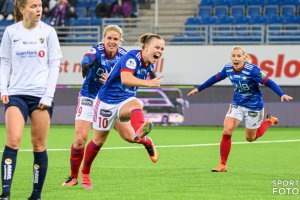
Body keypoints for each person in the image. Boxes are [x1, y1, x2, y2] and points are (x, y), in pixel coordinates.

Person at [79, 33, 165, 189]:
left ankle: (142, 132)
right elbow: (126, 79)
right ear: (146, 47)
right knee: (99, 141)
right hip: (105, 102)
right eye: (157, 47)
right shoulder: (133, 57)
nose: (160, 51)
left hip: (125, 101)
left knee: (137, 104)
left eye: (162, 48)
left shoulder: (150, 65)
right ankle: (85, 174)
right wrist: (149, 83)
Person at [187, 46, 293, 173]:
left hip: (254, 106)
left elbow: (269, 82)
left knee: (250, 138)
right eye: (233, 56)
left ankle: (269, 121)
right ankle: (222, 164)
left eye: (238, 56)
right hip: (237, 104)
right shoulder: (228, 68)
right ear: (231, 57)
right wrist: (199, 89)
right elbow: (215, 78)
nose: (235, 58)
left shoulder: (252, 70)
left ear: (244, 57)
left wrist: (281, 93)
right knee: (227, 130)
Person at [0, 0, 62, 199]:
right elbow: (4, 62)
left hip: (40, 96)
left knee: (38, 145)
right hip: (16, 94)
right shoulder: (11, 32)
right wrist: (3, 88)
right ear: (21, 9)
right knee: (13, 140)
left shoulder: (49, 32)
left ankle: (36, 195)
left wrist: (48, 95)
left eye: (40, 5)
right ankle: (5, 193)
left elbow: (54, 66)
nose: (39, 10)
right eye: (34, 6)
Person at [62, 25, 128, 189]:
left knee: (128, 136)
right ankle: (73, 177)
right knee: (79, 140)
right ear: (104, 39)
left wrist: (113, 81)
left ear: (120, 41)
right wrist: (85, 64)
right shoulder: (97, 50)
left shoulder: (124, 56)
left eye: (115, 39)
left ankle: (146, 141)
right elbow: (88, 57)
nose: (112, 42)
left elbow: (128, 79)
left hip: (110, 100)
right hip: (89, 97)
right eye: (109, 38)